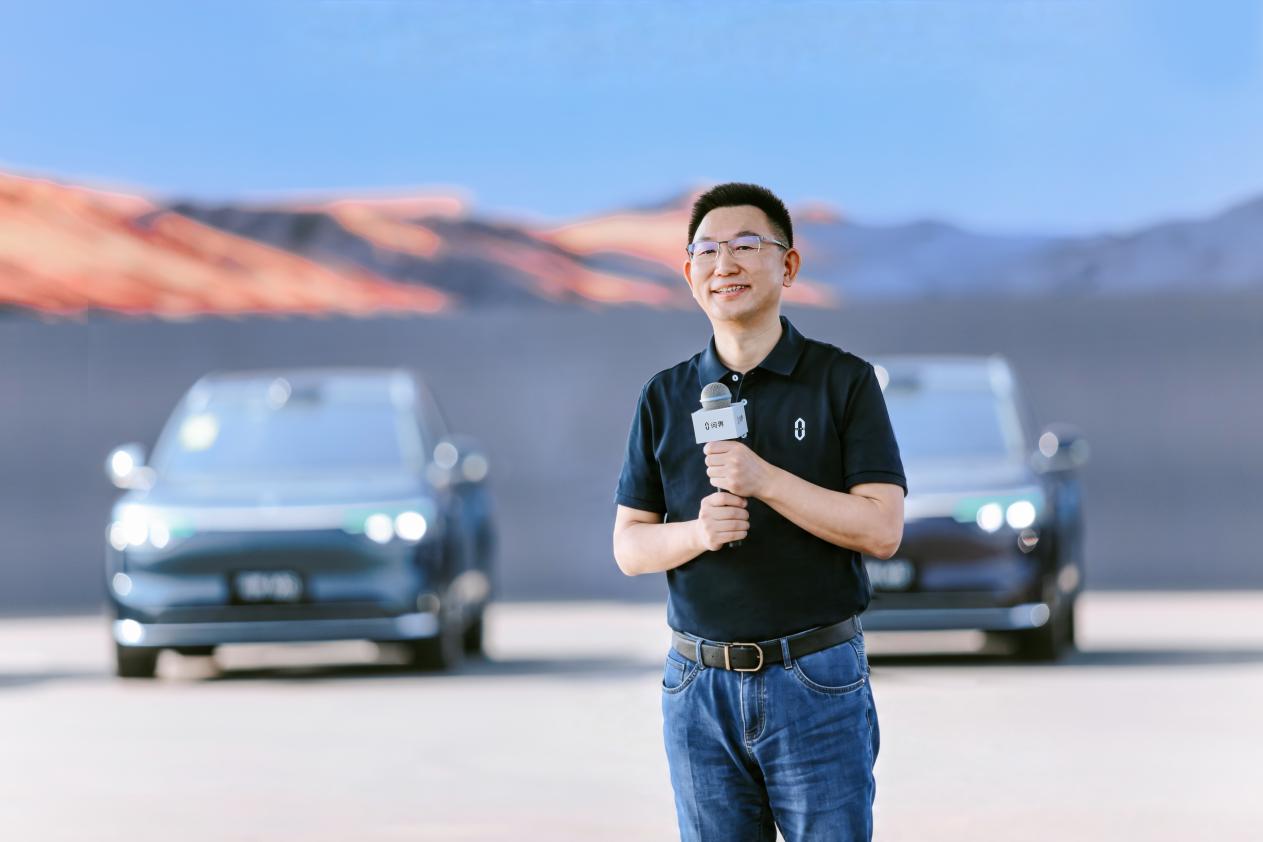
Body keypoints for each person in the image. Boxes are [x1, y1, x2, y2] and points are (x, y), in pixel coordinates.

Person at [612, 182, 908, 841]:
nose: (725, 264)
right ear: (689, 273)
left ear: (788, 265)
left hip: (815, 676)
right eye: (707, 250)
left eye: (746, 246)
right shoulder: (664, 396)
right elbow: (629, 546)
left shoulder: (842, 381)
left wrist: (765, 480)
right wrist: (697, 533)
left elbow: (882, 528)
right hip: (697, 686)